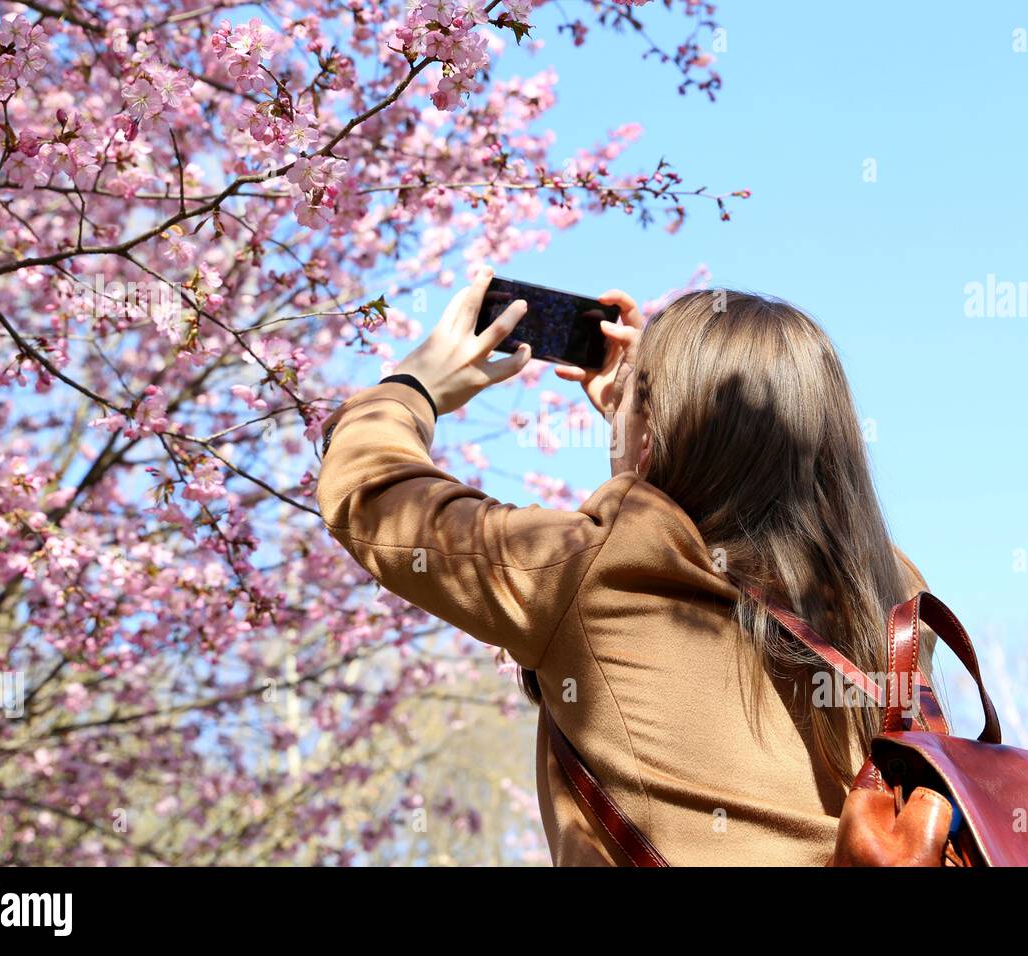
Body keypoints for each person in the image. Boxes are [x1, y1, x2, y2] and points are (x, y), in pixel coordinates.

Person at [317, 266, 937, 865]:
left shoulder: (595, 571)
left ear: (654, 429)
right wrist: (648, 412)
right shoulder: (893, 601)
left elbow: (375, 496)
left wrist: (411, 386)